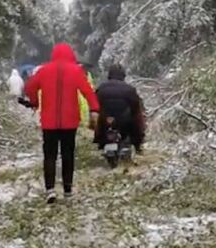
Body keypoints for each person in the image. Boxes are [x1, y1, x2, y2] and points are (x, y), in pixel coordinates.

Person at [22, 43, 99, 203]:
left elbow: (29, 86)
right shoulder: (76, 71)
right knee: (67, 155)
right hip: (69, 121)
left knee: (49, 155)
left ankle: (50, 189)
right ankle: (67, 190)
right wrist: (94, 109)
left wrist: (35, 101)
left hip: (49, 121)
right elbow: (88, 92)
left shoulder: (44, 70)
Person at [93, 63, 146, 154]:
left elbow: (95, 104)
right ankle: (137, 144)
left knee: (99, 119)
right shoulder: (129, 89)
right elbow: (136, 106)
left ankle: (100, 141)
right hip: (124, 121)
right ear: (123, 75)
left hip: (105, 120)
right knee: (137, 116)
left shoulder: (101, 88)